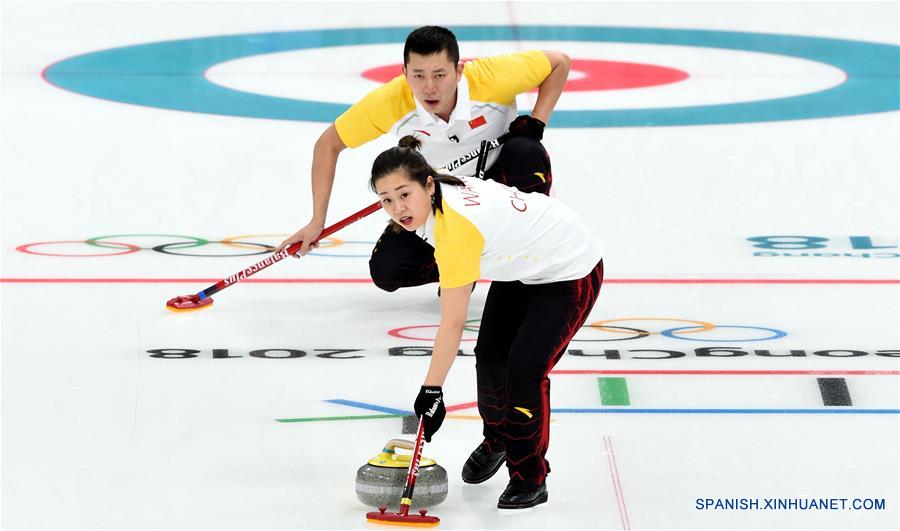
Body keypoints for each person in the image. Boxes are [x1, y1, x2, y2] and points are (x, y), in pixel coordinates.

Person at [371, 136, 605, 510]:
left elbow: (452, 324)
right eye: (386, 199)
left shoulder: (456, 230)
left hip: (568, 269)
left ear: (428, 184)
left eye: (404, 194)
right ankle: (498, 439)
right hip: (521, 262)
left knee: (524, 371)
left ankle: (529, 477)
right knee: (491, 357)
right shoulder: (437, 193)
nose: (398, 208)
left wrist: (432, 391)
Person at [275, 26, 571, 292]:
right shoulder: (391, 102)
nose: (429, 87)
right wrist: (317, 220)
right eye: (418, 75)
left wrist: (537, 122)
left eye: (440, 75)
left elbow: (559, 63)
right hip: (442, 194)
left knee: (525, 150)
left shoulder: (491, 77)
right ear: (405, 73)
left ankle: (532, 255)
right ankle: (463, 266)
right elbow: (327, 145)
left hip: (501, 184)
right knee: (387, 271)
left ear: (459, 71)